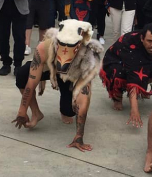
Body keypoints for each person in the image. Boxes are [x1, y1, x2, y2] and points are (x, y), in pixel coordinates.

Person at [12, 20, 103, 151]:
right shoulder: (46, 46)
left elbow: (84, 98)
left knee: (69, 111)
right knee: (22, 75)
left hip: (72, 75)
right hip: (51, 68)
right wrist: (22, 110)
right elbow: (31, 82)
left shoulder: (88, 58)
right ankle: (36, 113)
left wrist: (79, 136)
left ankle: (65, 107)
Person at [100, 24, 152, 128]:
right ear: (142, 38)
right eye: (149, 41)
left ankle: (144, 83)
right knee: (118, 73)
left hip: (143, 62)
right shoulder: (128, 43)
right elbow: (134, 78)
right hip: (116, 61)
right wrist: (134, 110)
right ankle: (117, 98)